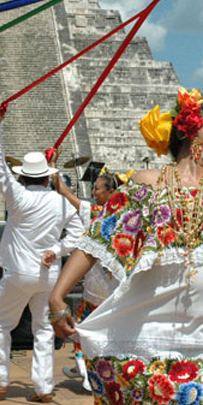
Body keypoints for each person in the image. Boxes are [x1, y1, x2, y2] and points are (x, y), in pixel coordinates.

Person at [48, 74, 203, 405]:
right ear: (191, 130)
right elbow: (98, 240)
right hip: (151, 344)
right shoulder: (145, 185)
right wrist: (57, 294)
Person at [0, 106, 85, 403]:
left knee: (1, 325)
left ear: (24, 177)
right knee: (43, 330)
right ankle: (42, 387)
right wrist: (57, 249)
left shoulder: (18, 196)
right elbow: (78, 232)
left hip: (18, 271)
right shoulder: (60, 201)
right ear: (47, 176)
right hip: (49, 273)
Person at [48, 150, 121, 392]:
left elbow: (65, 192)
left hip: (99, 287)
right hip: (113, 288)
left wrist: (53, 165)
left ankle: (85, 366)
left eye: (98, 189)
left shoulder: (98, 214)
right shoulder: (126, 215)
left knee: (84, 327)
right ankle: (89, 368)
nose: (93, 193)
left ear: (111, 192)